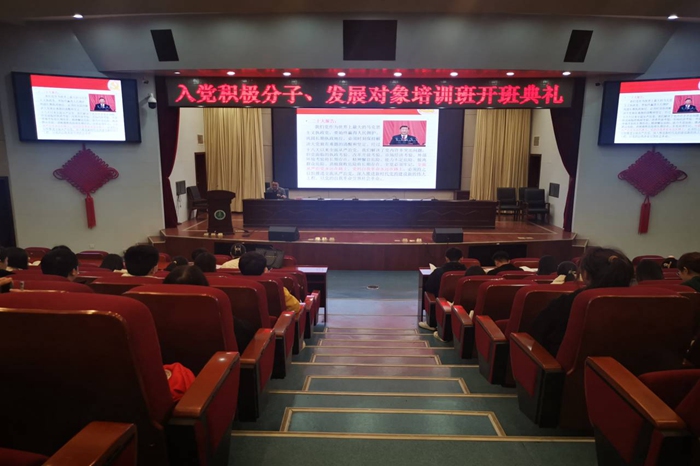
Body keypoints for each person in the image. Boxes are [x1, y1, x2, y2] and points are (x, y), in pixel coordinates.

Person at [530, 247, 633, 356]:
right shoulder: (640, 304)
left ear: (585, 275)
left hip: (565, 365)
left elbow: (536, 336)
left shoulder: (566, 304)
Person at [420, 248, 467, 331]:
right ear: (461, 259)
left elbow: (428, 287)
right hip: (463, 305)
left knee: (429, 294)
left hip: (442, 303)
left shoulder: (438, 272)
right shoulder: (468, 273)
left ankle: (432, 323)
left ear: (446, 259)